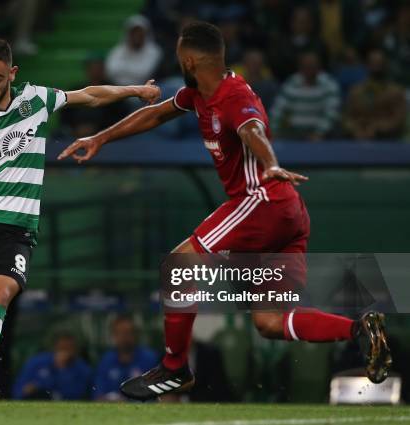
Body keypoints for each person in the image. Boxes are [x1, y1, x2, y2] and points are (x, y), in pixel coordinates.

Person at [58, 22, 392, 401]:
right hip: (288, 213)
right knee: (268, 322)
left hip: (261, 200)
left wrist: (269, 163)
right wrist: (100, 137)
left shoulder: (233, 95)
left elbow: (252, 129)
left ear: (188, 60)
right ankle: (359, 329)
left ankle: (175, 367)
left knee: (179, 263)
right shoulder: (200, 93)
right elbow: (155, 114)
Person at [0, 38, 160, 402]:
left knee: (1, 293)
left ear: (12, 73)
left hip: (15, 227)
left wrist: (135, 90)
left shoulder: (35, 100)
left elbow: (90, 95)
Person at [270, 51, 341, 141]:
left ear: (319, 67)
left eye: (312, 67)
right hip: (294, 132)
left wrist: (319, 133)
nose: (309, 70)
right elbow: (277, 110)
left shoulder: (329, 84)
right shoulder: (292, 83)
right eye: (306, 67)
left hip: (322, 133)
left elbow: (331, 113)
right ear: (300, 67)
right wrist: (273, 131)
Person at [343, 48, 406, 140]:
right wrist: (355, 129)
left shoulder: (396, 92)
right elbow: (347, 117)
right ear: (366, 66)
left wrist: (377, 127)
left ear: (385, 66)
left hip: (386, 139)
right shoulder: (355, 91)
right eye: (373, 63)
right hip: (358, 139)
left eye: (379, 63)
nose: (376, 67)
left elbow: (398, 119)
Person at [93, 316, 157, 400]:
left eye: (128, 332)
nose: (124, 337)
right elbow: (98, 395)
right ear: (113, 336)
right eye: (119, 333)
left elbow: (157, 394)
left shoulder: (149, 359)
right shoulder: (106, 361)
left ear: (135, 334)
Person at [12, 332, 92, 400]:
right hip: (34, 401)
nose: (65, 352)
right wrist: (33, 387)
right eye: (62, 348)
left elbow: (77, 394)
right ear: (55, 347)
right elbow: (18, 391)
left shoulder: (82, 368)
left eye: (69, 348)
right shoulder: (37, 362)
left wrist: (61, 369)